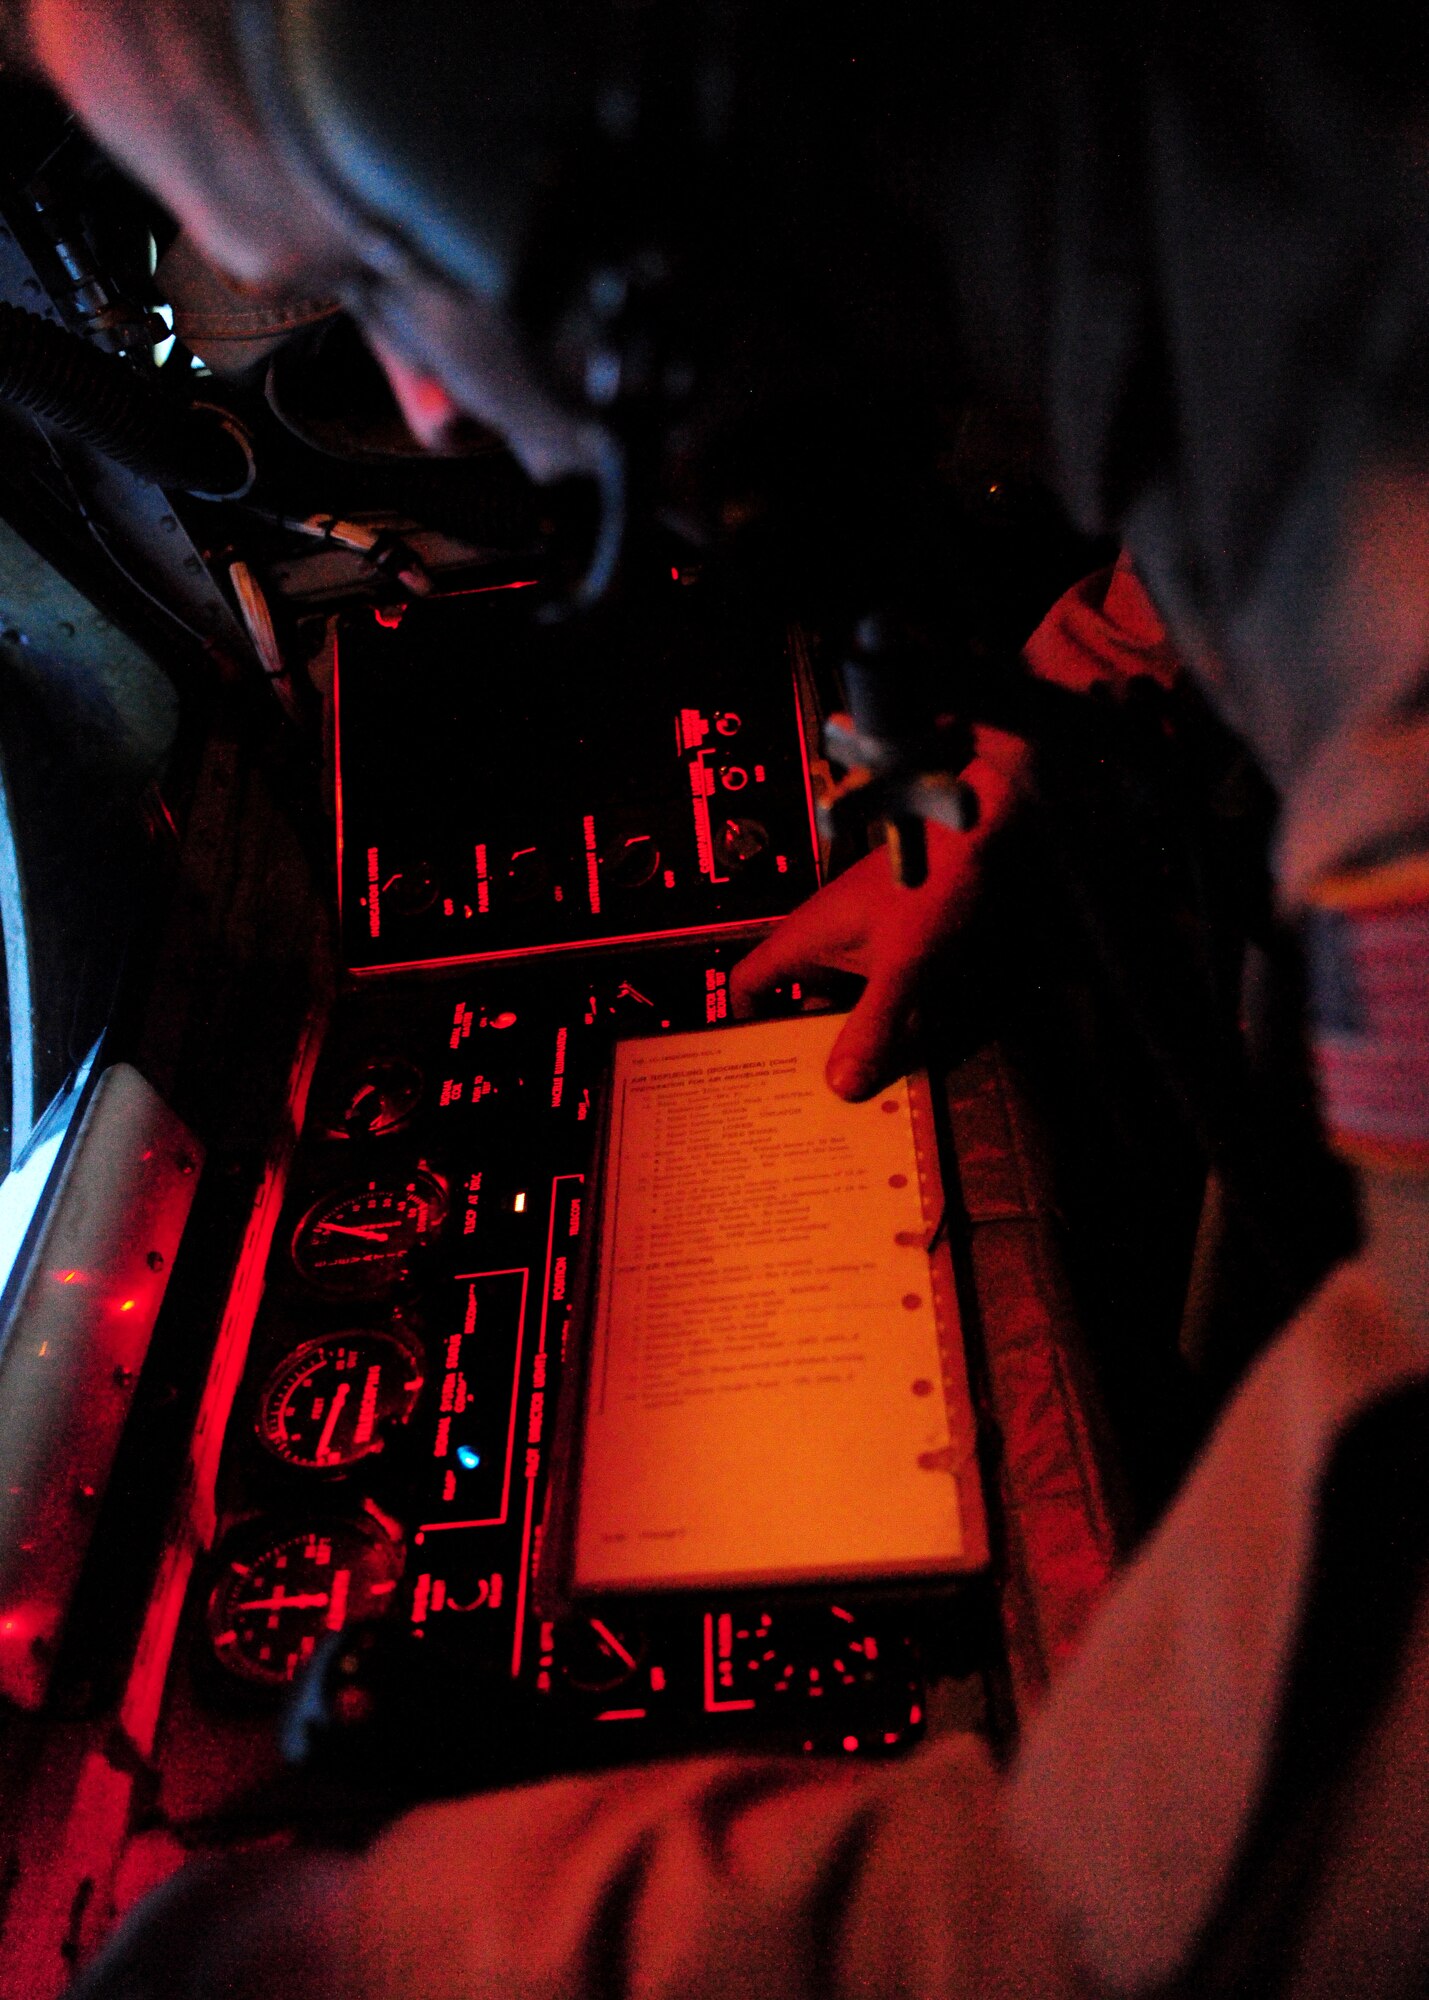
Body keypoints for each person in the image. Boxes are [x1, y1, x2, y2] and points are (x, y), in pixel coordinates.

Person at [9, 2, 1428, 1993]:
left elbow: (1224, 1908)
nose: (416, 414)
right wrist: (1010, 787)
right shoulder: (1242, 176)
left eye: (383, 282)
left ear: (639, 193)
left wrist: (389, 1943)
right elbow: (1231, 461)